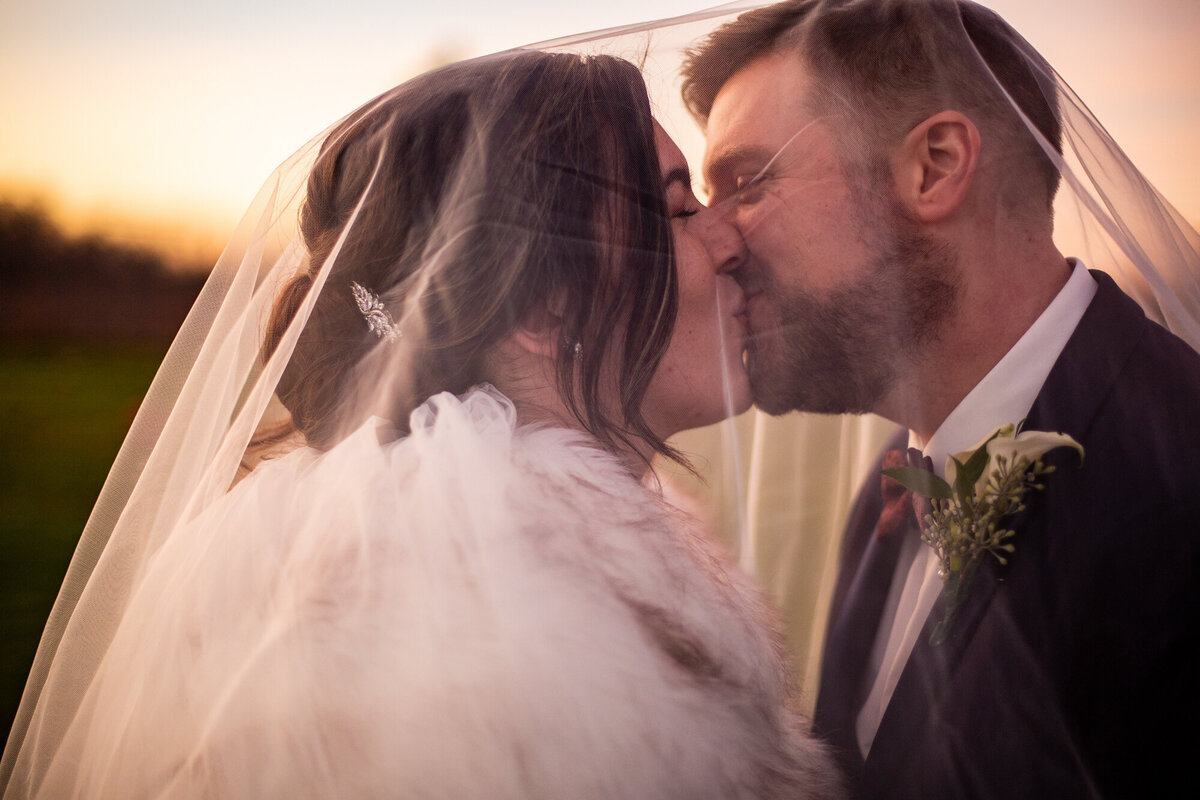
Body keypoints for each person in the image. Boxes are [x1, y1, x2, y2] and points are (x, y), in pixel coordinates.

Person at [0, 51, 844, 798]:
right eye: (679, 211)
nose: (730, 238)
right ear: (544, 311)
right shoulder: (502, 632)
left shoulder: (404, 536)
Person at [681, 0, 1200, 797]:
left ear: (935, 166)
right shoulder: (895, 484)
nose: (715, 241)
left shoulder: (1181, 479)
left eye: (746, 184)